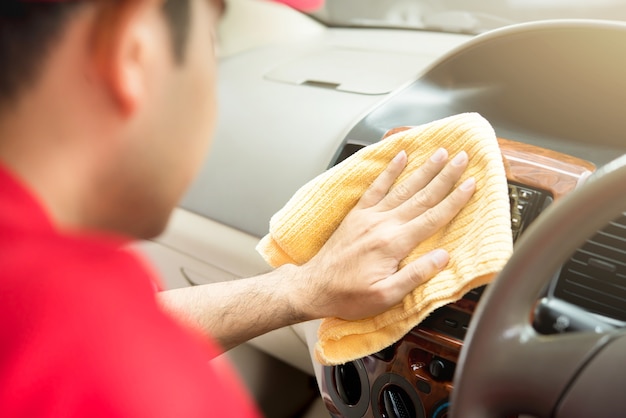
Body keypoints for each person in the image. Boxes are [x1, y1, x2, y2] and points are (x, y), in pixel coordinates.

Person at [0, 0, 476, 416]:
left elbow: (98, 340)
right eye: (211, 38)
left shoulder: (39, 310)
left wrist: (301, 289)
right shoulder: (133, 392)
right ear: (133, 53)